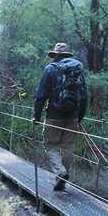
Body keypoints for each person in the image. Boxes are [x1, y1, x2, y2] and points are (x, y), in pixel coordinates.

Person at [32, 43, 88, 191]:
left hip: (53, 115)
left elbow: (41, 96)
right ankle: (62, 176)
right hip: (73, 117)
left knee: (50, 145)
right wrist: (79, 117)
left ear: (55, 55)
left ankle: (60, 172)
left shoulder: (50, 69)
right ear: (68, 56)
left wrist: (36, 117)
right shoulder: (78, 71)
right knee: (68, 146)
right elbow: (84, 97)